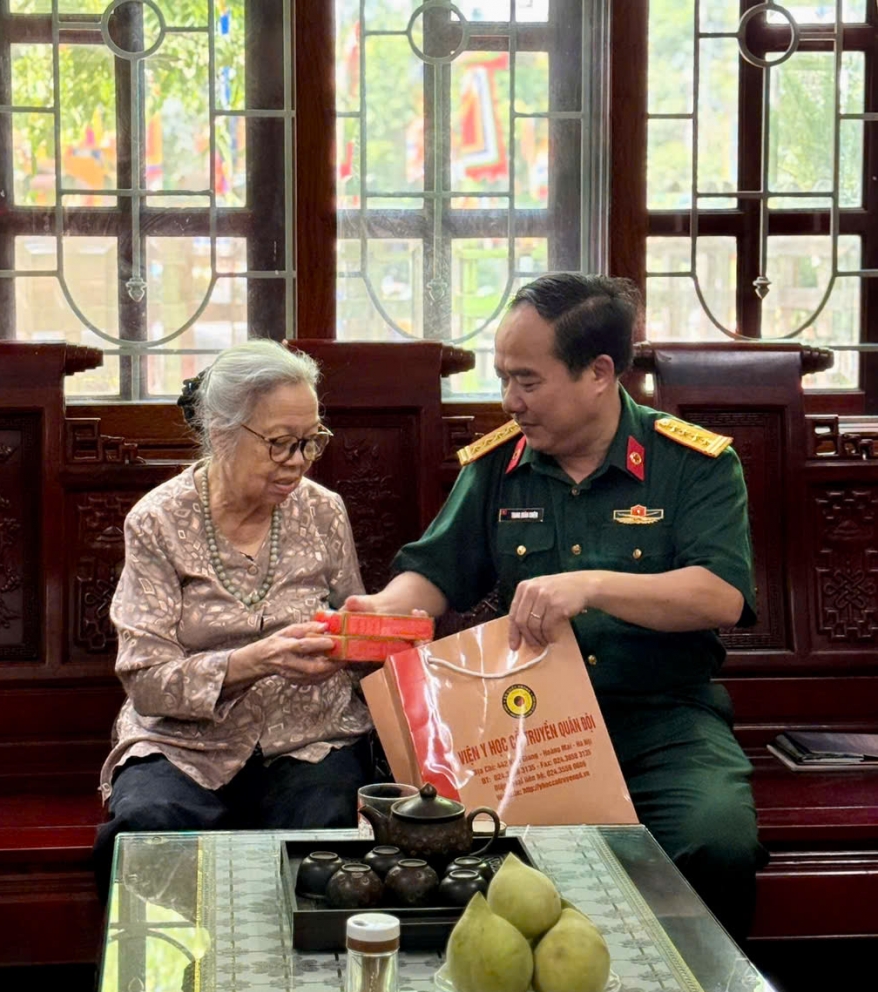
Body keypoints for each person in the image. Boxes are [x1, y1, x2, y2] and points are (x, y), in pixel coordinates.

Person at [347, 273, 764, 940]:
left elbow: (719, 594)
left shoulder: (694, 463)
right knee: (457, 852)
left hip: (663, 722)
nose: (509, 401)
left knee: (717, 844)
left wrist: (591, 584)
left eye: (527, 381)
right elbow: (433, 573)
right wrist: (377, 612)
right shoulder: (498, 466)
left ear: (598, 373)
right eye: (503, 378)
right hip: (527, 724)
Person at [93, 339, 373, 892]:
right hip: (185, 745)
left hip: (308, 738)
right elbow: (146, 680)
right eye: (280, 443)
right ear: (222, 432)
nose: (299, 461)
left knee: (323, 838)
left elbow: (357, 630)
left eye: (311, 441)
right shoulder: (157, 521)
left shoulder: (323, 511)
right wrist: (256, 660)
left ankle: (303, 954)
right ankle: (165, 954)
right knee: (149, 832)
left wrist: (368, 637)